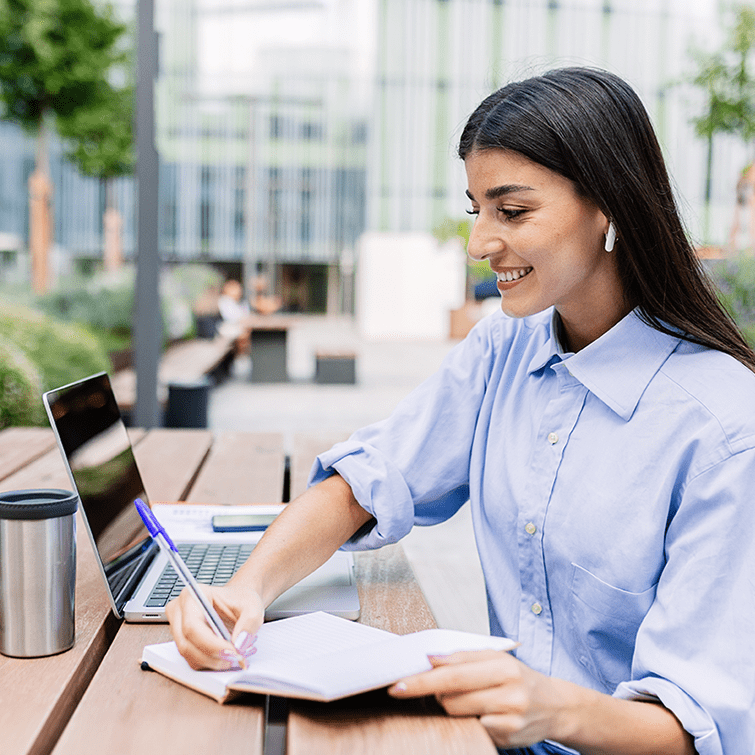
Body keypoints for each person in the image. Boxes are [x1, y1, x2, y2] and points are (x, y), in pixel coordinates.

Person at [166, 68, 755, 754]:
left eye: (510, 211)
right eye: (475, 208)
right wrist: (245, 590)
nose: (478, 243)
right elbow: (367, 480)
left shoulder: (723, 429)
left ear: (608, 207)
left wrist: (549, 707)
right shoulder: (504, 347)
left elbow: (701, 731)